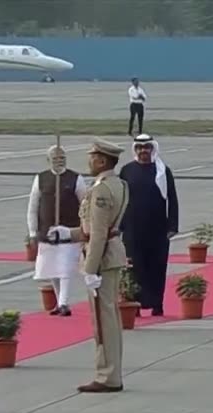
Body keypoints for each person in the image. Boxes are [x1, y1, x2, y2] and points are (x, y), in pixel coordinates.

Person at [74, 140, 130, 393]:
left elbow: (98, 234)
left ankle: (107, 376)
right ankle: (111, 372)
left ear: (101, 160)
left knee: (103, 320)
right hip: (111, 253)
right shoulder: (119, 185)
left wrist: (89, 269)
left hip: (102, 258)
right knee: (110, 318)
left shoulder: (102, 190)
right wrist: (67, 234)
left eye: (92, 157)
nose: (89, 161)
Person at [118, 134, 179, 316]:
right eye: (139, 148)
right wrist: (118, 226)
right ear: (135, 150)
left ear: (153, 149)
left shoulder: (162, 171)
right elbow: (120, 200)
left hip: (158, 229)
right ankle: (134, 304)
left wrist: (172, 226)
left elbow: (172, 199)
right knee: (133, 267)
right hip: (132, 229)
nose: (143, 151)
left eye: (147, 148)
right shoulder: (127, 171)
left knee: (157, 267)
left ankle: (156, 304)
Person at [27, 144, 86, 317]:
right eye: (55, 158)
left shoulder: (76, 179)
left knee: (65, 267)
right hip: (47, 232)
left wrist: (83, 229)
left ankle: (64, 303)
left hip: (69, 232)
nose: (59, 161)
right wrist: (32, 232)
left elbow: (85, 204)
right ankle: (60, 301)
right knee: (51, 268)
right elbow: (33, 207)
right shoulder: (41, 179)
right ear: (48, 160)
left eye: (62, 158)